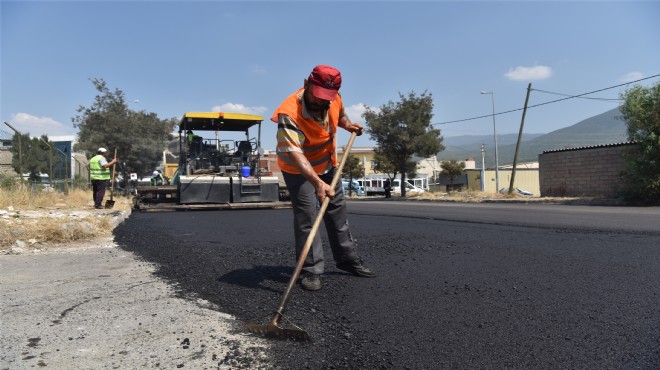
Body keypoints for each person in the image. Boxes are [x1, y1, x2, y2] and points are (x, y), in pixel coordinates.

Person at [271, 64, 376, 291]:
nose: (321, 102)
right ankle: (311, 270)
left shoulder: (333, 98)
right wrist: (317, 183)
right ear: (307, 84)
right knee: (308, 217)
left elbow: (341, 115)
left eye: (327, 98)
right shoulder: (289, 113)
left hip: (327, 164)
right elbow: (294, 153)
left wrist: (349, 126)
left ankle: (347, 260)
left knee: (337, 212)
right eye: (317, 97)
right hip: (298, 169)